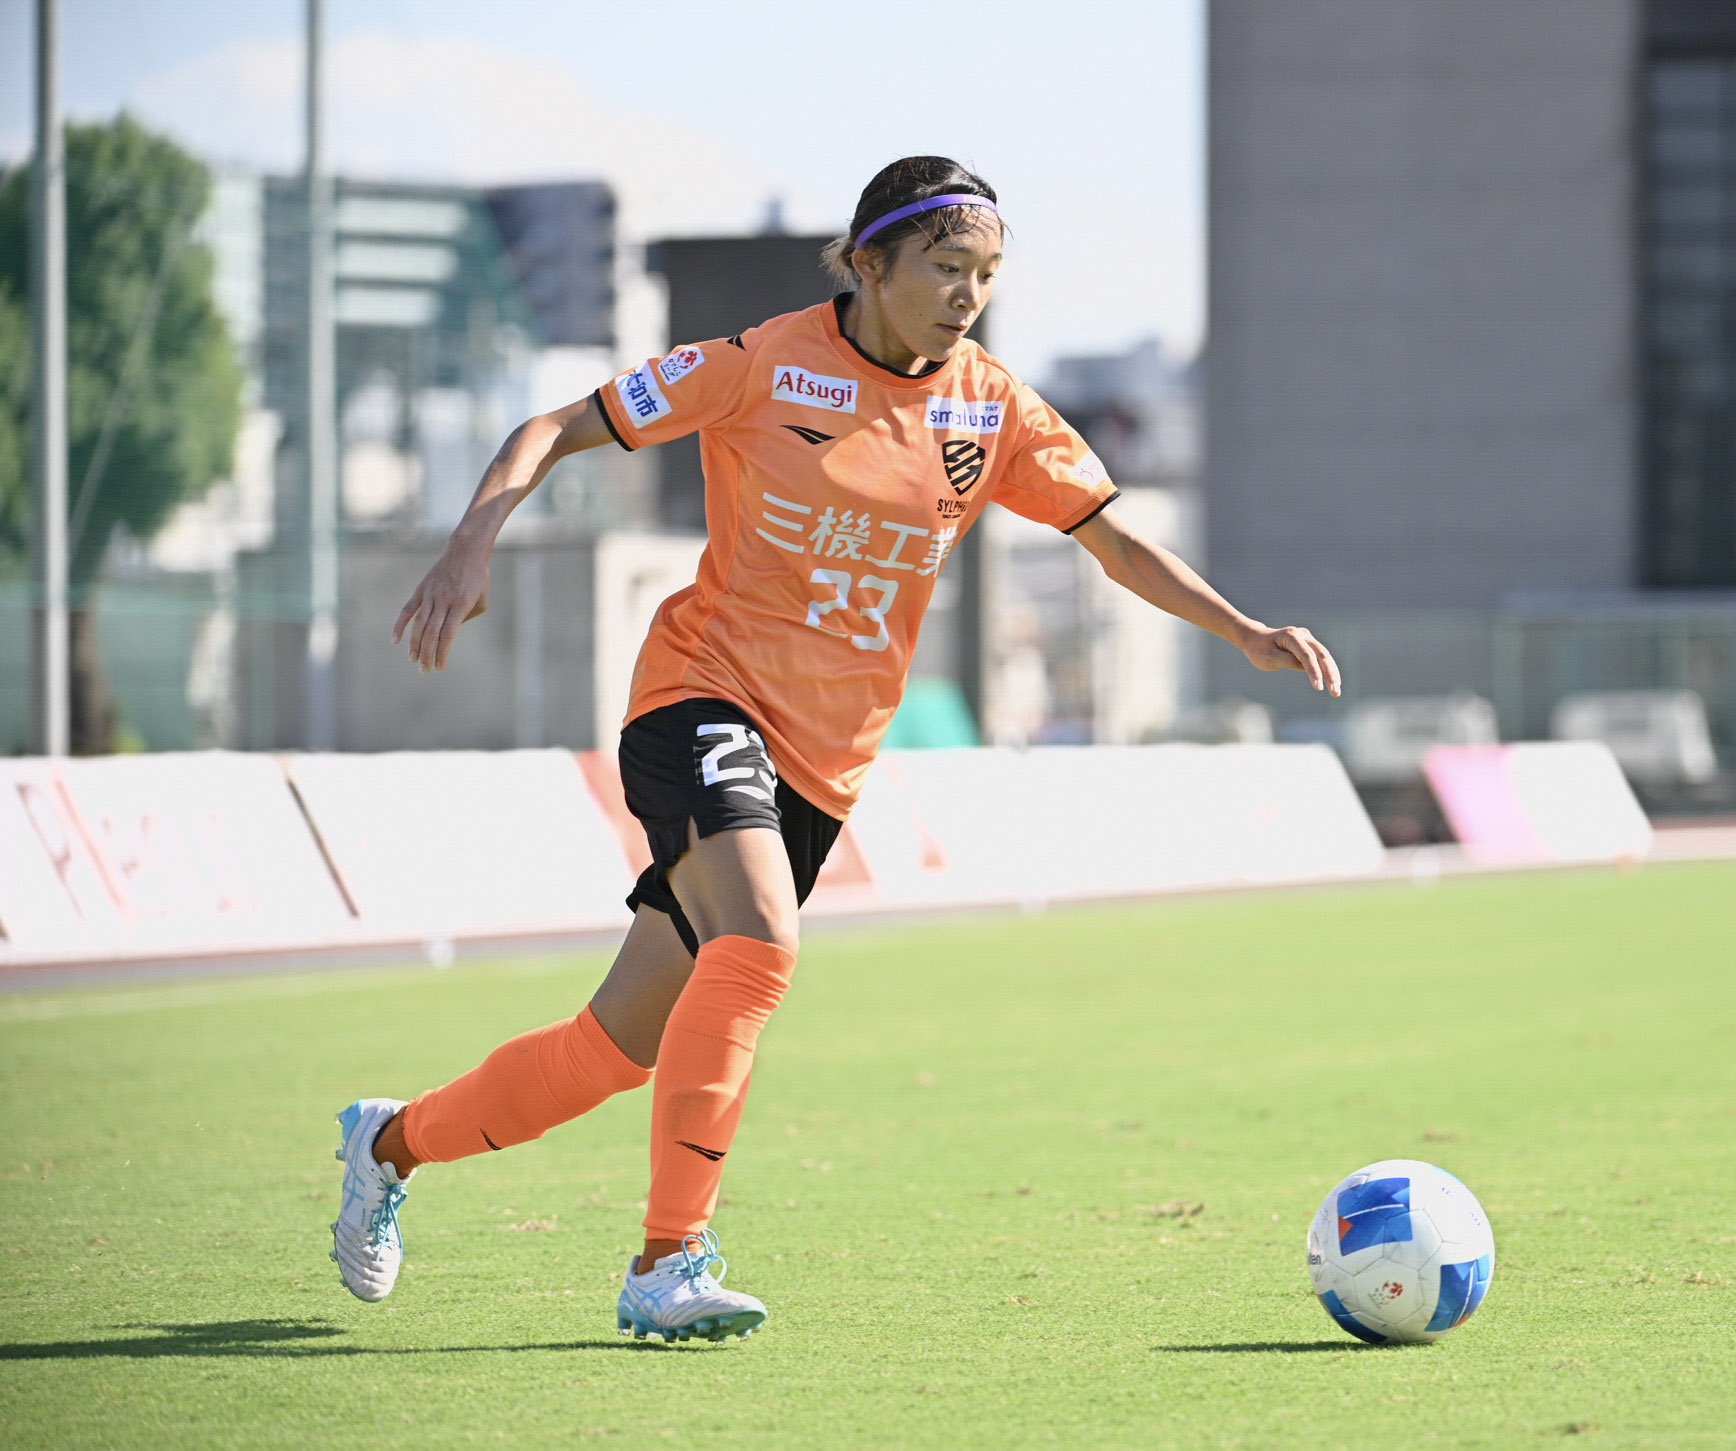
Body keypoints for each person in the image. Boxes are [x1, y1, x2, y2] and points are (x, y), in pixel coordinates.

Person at [332, 155, 1342, 1343]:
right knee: (760, 938)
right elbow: (554, 426)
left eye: (986, 273)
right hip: (700, 695)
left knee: (612, 1049)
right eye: (945, 266)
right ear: (869, 262)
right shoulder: (761, 363)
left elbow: (1113, 540)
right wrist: (471, 542)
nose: (967, 294)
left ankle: (389, 1143)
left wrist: (1244, 631)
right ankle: (667, 1259)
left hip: (823, 765)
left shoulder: (993, 409)